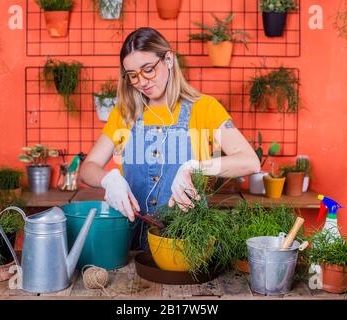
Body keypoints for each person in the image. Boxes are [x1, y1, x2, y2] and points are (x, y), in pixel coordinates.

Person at [80, 27, 260, 250]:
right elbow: (87, 168)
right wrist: (108, 179)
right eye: (133, 76)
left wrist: (195, 167)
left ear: (168, 59)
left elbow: (250, 161)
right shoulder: (125, 114)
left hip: (185, 242)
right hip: (131, 244)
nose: (142, 82)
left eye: (148, 70)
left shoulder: (204, 108)